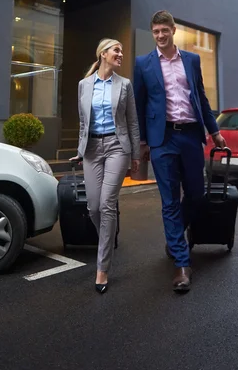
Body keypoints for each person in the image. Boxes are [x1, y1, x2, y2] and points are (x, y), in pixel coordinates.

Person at [133, 11, 226, 292]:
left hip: (190, 136)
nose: (160, 35)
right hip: (162, 141)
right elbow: (139, 104)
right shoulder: (143, 64)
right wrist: (143, 143)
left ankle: (174, 237)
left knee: (197, 195)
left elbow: (201, 96)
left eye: (164, 30)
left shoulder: (192, 60)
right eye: (155, 31)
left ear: (173, 30)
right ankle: (182, 265)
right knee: (170, 201)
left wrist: (214, 131)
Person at [70, 38, 140, 294]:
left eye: (121, 51)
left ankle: (102, 268)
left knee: (107, 204)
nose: (120, 54)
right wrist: (80, 150)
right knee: (93, 207)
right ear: (103, 54)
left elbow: (132, 122)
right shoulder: (84, 85)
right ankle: (108, 241)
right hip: (91, 149)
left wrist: (134, 154)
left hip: (116, 147)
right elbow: (82, 122)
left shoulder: (125, 85)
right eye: (116, 50)